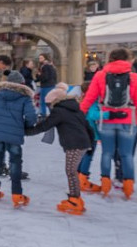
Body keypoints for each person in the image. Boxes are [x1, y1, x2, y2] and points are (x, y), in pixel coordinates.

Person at [80, 48, 137, 199]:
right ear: (127, 60)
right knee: (126, 155)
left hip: (106, 120)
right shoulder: (135, 77)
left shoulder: (100, 75)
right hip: (129, 121)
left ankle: (105, 184)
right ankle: (128, 186)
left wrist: (79, 114)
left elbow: (89, 98)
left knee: (106, 153)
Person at [26, 83, 95, 215]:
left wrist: (27, 131)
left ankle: (75, 200)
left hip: (75, 144)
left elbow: (44, 126)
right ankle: (75, 198)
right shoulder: (75, 109)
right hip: (82, 143)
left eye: (48, 104)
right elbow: (88, 127)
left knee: (70, 171)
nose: (49, 107)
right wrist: (90, 144)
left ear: (55, 101)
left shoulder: (59, 111)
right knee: (71, 171)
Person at [0, 71, 37, 206]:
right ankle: (17, 194)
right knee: (15, 163)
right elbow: (31, 116)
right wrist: (24, 127)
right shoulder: (24, 97)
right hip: (14, 135)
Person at [36, 53, 57, 117]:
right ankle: (54, 115)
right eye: (39, 58)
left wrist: (38, 76)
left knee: (43, 101)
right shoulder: (51, 66)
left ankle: (43, 115)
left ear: (45, 58)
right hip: (52, 85)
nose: (39, 59)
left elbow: (45, 77)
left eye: (41, 58)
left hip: (46, 86)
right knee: (50, 101)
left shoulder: (45, 66)